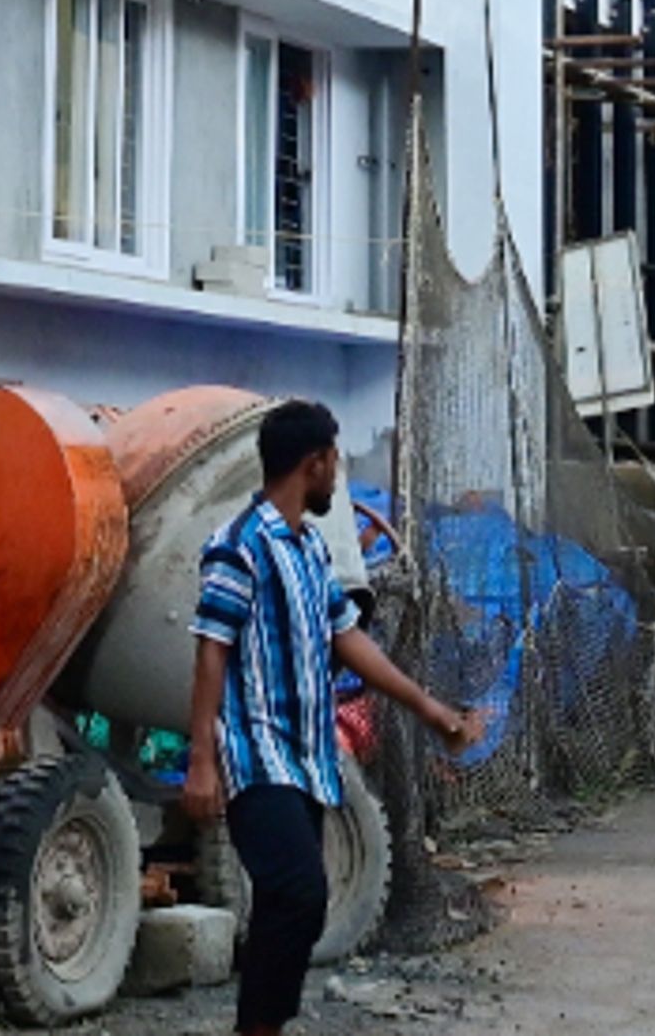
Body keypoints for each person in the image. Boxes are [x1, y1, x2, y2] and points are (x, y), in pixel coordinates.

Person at [180, 398, 472, 1036]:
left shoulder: (310, 549)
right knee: (299, 891)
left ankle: (267, 1022)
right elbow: (211, 652)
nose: (338, 476)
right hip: (257, 756)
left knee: (302, 908)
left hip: (308, 758)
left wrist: (429, 709)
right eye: (334, 462)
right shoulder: (239, 548)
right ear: (313, 464)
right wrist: (202, 760)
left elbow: (349, 640)